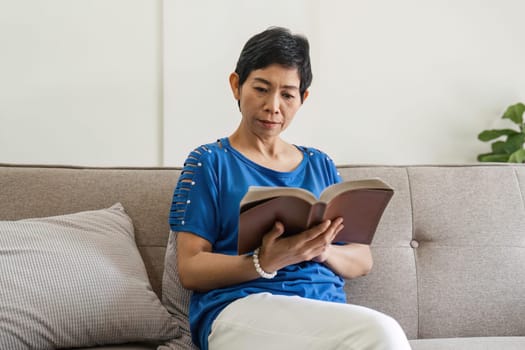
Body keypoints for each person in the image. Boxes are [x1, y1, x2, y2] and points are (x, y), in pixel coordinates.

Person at [169, 26, 411, 350]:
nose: (273, 106)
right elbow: (191, 268)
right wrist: (265, 261)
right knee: (383, 332)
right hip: (241, 309)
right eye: (261, 89)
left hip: (324, 313)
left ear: (302, 98)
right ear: (236, 86)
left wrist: (319, 248)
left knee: (373, 332)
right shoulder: (209, 162)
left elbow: (361, 259)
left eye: (287, 94)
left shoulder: (320, 164)